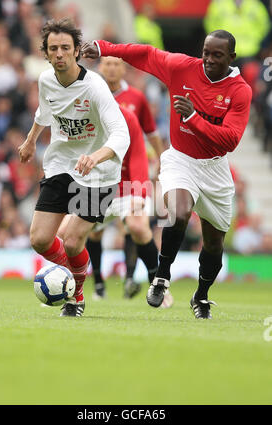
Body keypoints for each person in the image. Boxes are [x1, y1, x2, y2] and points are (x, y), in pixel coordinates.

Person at [82, 29, 252, 319]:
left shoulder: (240, 91)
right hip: (180, 158)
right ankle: (161, 277)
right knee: (180, 212)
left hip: (215, 168)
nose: (209, 60)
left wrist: (193, 118)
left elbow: (230, 140)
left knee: (214, 244)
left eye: (217, 55)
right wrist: (103, 47)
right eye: (206, 53)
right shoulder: (182, 67)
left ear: (231, 57)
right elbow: (146, 55)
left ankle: (201, 296)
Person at [18, 18, 130, 317]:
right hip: (61, 164)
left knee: (71, 241)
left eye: (65, 48)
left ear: (77, 51)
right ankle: (75, 275)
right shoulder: (45, 80)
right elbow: (45, 111)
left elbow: (122, 133)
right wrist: (30, 142)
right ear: (45, 52)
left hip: (99, 174)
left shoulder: (95, 87)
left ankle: (76, 296)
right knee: (40, 240)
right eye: (53, 48)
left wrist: (96, 157)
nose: (59, 54)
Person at [87, 56, 165, 299]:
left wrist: (162, 159)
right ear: (100, 68)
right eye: (107, 63)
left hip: (132, 171)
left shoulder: (136, 99)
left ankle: (132, 277)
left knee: (134, 225)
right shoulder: (91, 97)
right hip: (99, 177)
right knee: (94, 232)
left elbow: (150, 132)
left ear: (124, 69)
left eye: (116, 64)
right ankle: (98, 282)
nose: (111, 68)